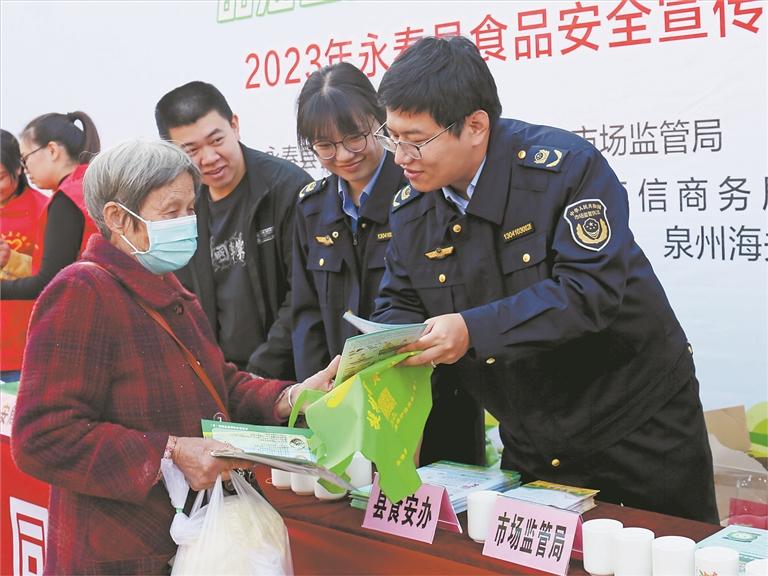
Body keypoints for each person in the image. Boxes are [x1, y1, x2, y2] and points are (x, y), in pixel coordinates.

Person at [371, 36, 718, 522]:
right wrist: (376, 349)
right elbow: (400, 303)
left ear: (475, 126)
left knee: (668, 550)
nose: (400, 156)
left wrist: (470, 330)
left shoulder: (566, 171)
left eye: (415, 140)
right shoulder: (412, 208)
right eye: (391, 137)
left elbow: (589, 293)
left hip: (634, 422)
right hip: (532, 436)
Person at [11, 140, 340, 574]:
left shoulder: (166, 285)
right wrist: (170, 453)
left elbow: (217, 383)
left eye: (190, 209)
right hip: (123, 549)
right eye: (171, 212)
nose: (187, 223)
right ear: (118, 218)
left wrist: (291, 397)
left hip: (190, 539)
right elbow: (42, 436)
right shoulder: (82, 291)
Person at [292, 62, 484, 466]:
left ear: (381, 121)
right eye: (325, 146)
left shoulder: (424, 190)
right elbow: (306, 312)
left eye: (355, 137)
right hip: (345, 405)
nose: (343, 155)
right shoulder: (312, 207)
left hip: (431, 403)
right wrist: (317, 394)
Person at [155, 81, 311, 380]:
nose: (209, 158)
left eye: (216, 140)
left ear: (235, 126)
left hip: (284, 376)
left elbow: (303, 295)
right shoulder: (181, 208)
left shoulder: (287, 187)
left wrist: (260, 373)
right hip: (220, 379)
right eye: (191, 150)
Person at [0, 111, 101, 301]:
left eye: (25, 158)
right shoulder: (90, 184)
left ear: (52, 151)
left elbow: (49, 282)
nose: (26, 169)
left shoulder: (66, 200)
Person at [0, 130, 49, 370]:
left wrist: (11, 259)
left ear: (19, 167)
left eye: (0, 177)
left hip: (22, 349)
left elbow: (55, 274)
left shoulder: (44, 210)